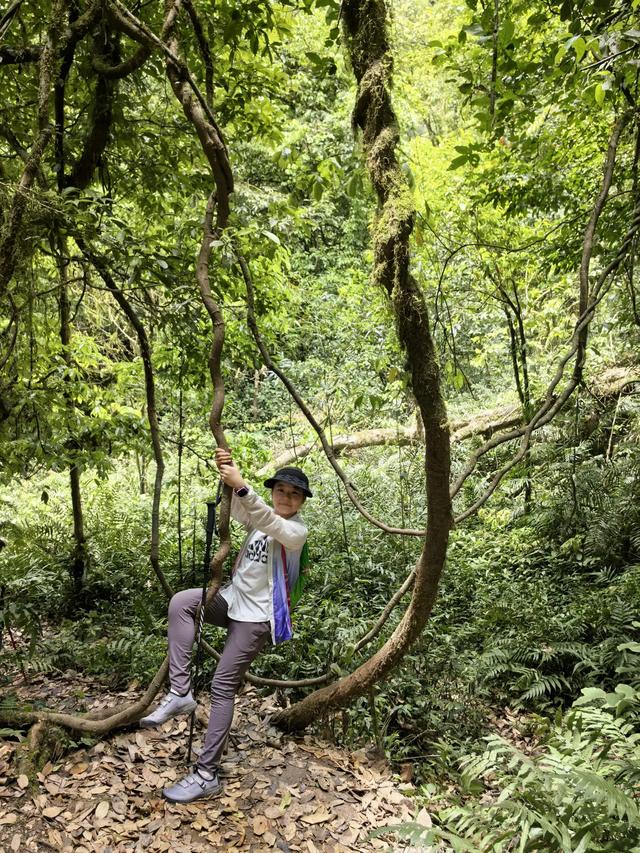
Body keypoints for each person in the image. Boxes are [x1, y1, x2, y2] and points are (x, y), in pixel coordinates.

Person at [140, 448, 312, 804]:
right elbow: (238, 507)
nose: (286, 497)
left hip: (258, 618)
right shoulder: (260, 520)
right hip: (231, 601)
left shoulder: (295, 531)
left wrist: (244, 488)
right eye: (281, 490)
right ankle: (180, 692)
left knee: (222, 687)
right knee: (182, 603)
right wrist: (226, 471)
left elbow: (267, 519)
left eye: (293, 494)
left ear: (301, 502)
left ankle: (206, 775)